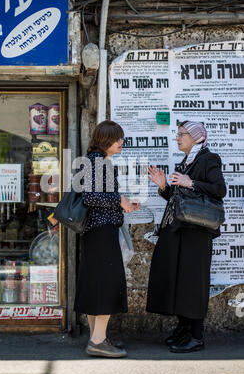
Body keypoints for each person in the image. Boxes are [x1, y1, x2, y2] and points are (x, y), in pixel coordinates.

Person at [147, 121, 226, 353]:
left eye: (182, 134)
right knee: (181, 282)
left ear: (196, 137)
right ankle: (184, 329)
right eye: (178, 134)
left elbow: (219, 190)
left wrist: (189, 181)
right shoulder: (187, 161)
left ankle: (196, 336)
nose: (178, 138)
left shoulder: (208, 158)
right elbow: (182, 201)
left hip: (197, 233)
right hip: (182, 230)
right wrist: (164, 187)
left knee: (194, 283)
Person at [74, 120, 140, 358]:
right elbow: (91, 198)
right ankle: (98, 341)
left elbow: (98, 197)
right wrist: (120, 201)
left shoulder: (94, 161)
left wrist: (123, 204)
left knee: (96, 285)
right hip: (101, 233)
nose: (121, 142)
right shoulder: (98, 163)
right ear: (105, 140)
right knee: (106, 285)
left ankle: (96, 338)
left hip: (95, 233)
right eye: (117, 138)